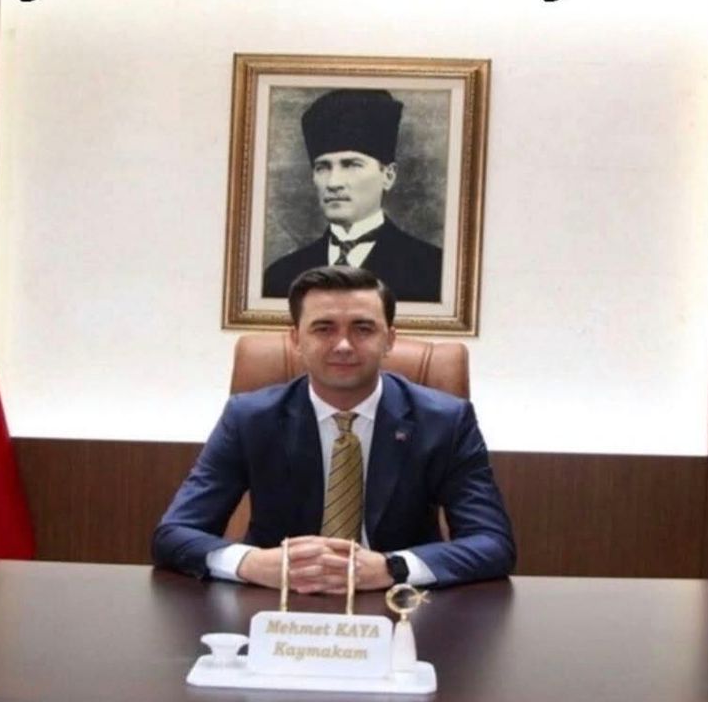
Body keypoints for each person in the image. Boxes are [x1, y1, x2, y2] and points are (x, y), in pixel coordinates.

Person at [153, 266, 514, 592]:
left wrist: (393, 568)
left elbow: (493, 543)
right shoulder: (249, 418)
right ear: (296, 339)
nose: (343, 345)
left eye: (363, 329)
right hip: (276, 603)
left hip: (397, 605)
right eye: (324, 328)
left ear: (389, 339)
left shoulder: (446, 421)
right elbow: (174, 533)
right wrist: (252, 563)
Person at [262, 89, 444, 303]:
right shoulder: (281, 276)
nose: (333, 183)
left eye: (351, 165)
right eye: (323, 167)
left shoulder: (433, 270)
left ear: (388, 176)